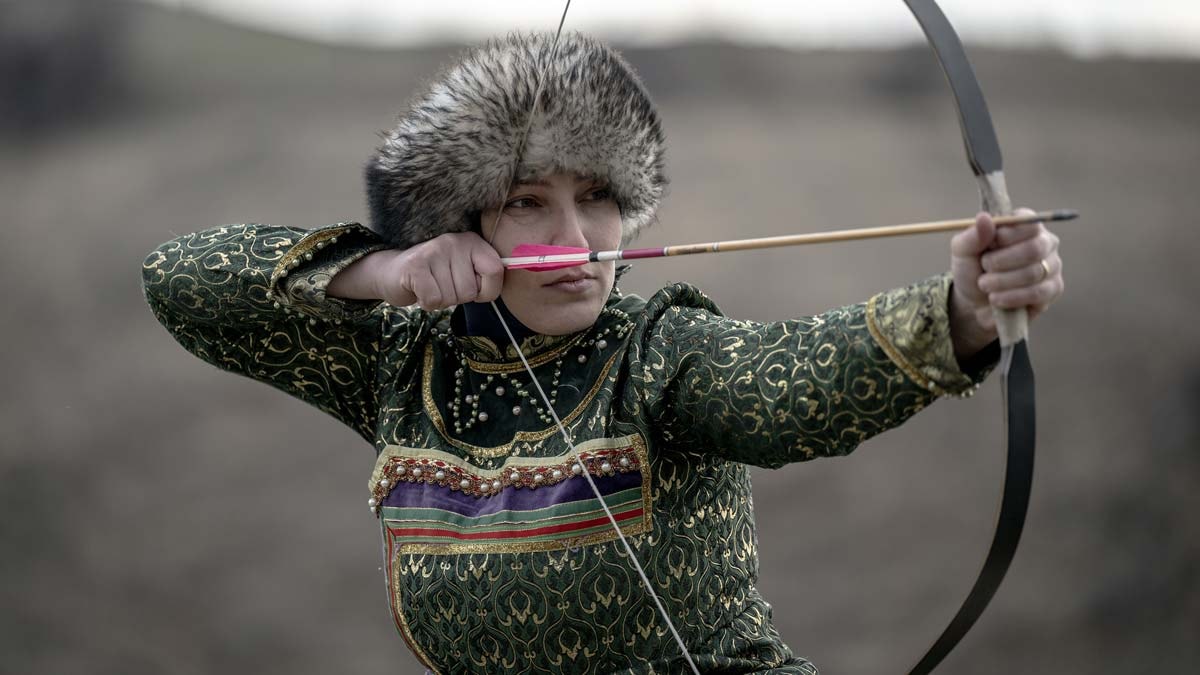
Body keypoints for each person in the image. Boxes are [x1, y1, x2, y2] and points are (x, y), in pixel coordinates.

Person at [142, 32, 1063, 675]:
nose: (575, 238)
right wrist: (383, 273)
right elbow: (179, 279)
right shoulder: (404, 362)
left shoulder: (659, 351)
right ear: (460, 227)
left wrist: (966, 310)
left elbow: (796, 382)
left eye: (598, 198)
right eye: (526, 202)